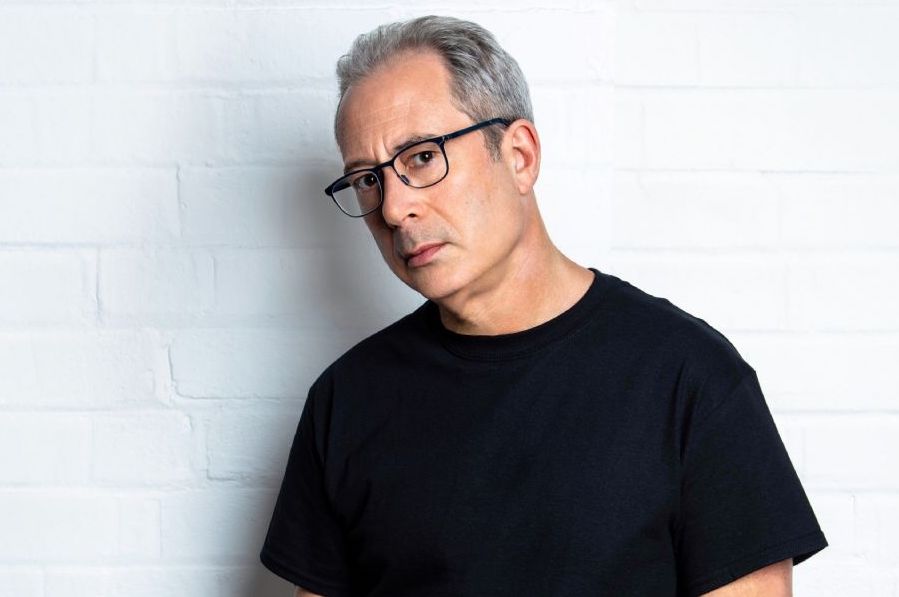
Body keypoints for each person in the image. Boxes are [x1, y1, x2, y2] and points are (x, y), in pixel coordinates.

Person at [259, 15, 828, 597]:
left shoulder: (689, 377)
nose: (393, 208)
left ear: (520, 156)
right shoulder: (346, 399)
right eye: (367, 180)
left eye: (423, 157)